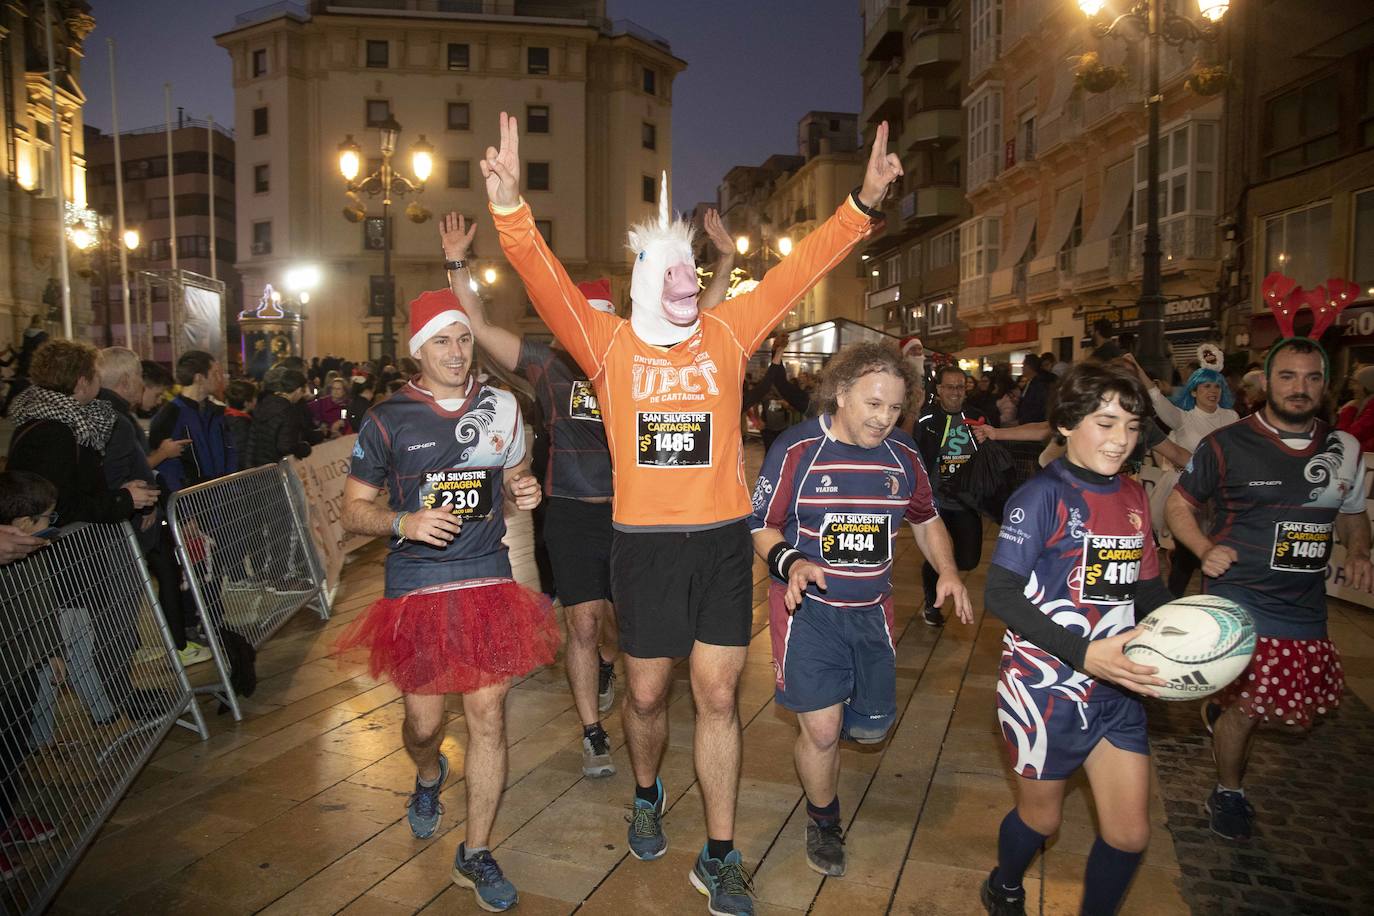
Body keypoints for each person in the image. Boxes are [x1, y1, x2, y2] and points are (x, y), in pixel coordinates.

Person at [486, 110, 899, 915]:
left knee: (716, 696)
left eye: (690, 275)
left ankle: (719, 852)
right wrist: (509, 210)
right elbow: (544, 281)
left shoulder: (729, 333)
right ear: (647, 281)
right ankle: (646, 791)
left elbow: (798, 270)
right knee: (644, 697)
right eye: (669, 274)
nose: (684, 287)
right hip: (640, 547)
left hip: (718, 542)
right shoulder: (605, 346)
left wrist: (864, 204)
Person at [337, 289, 559, 912]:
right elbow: (353, 513)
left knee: (488, 715)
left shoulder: (502, 407)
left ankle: (477, 850)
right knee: (424, 724)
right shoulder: (387, 419)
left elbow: (513, 486)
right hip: (417, 588)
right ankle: (429, 773)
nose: (458, 352)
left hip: (486, 577)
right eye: (443, 340)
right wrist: (404, 523)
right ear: (418, 349)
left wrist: (524, 492)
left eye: (464, 338)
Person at [750, 344, 971, 879]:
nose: (883, 419)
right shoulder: (799, 449)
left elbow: (925, 518)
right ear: (840, 394)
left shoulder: (904, 455)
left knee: (869, 733)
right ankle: (824, 819)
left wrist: (948, 570)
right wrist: (792, 560)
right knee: (823, 732)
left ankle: (837, 724)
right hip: (810, 612)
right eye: (873, 404)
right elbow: (760, 524)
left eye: (894, 409)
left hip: (873, 613)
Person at [979, 363, 1174, 916]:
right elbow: (1002, 595)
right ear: (1066, 424)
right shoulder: (1041, 497)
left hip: (1117, 689)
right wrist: (1086, 652)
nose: (1121, 440)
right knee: (1043, 819)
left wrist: (1191, 638)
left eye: (1132, 427)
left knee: (1130, 834)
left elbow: (1148, 590)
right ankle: (1005, 883)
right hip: (1044, 690)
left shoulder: (1135, 495)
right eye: (1106, 423)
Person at [1166, 337, 1373, 842]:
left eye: (1311, 378)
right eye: (1287, 376)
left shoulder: (1344, 449)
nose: (1299, 388)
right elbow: (1179, 504)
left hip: (1303, 603)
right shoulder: (1228, 444)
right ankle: (1229, 792)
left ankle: (1221, 709)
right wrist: (1202, 547)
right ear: (1266, 383)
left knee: (1281, 711)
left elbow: (1351, 516)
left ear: (1325, 385)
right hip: (1240, 593)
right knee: (1253, 706)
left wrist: (1362, 551)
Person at [437, 211, 620, 779]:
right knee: (583, 622)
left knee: (621, 625)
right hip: (569, 512)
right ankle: (592, 731)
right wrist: (456, 264)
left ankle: (610, 664)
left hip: (634, 516)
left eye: (605, 320)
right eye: (586, 320)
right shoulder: (548, 363)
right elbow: (479, 322)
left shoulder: (636, 364)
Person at [96, 348, 208, 667]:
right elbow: (123, 473)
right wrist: (142, 500)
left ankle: (142, 650)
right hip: (133, 519)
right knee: (143, 586)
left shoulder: (120, 417)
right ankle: (166, 648)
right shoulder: (117, 420)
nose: (157, 399)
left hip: (139, 514)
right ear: (133, 382)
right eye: (155, 392)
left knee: (152, 583)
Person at [6, 340, 159, 524]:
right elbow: (60, 506)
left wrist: (121, 493)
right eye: (95, 374)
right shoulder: (56, 432)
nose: (100, 379)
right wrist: (124, 499)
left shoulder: (50, 418)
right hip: (65, 546)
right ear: (82, 383)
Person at [1123, 355, 1239, 596]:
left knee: (1208, 548)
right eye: (1206, 386)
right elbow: (1154, 395)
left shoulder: (1232, 418)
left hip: (1218, 494)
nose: (1212, 391)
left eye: (1217, 386)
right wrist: (1136, 365)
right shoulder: (1182, 418)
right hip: (1185, 493)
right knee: (1189, 552)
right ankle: (1172, 598)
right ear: (1194, 392)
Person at [914, 365, 990, 627]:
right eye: (950, 387)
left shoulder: (979, 417)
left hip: (967, 501)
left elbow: (992, 454)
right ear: (939, 390)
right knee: (938, 556)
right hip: (935, 502)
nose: (956, 392)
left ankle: (946, 568)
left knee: (969, 559)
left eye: (961, 386)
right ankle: (932, 604)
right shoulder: (926, 419)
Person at [149, 350, 235, 490]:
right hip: (191, 502)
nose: (219, 379)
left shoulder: (216, 412)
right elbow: (165, 467)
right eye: (215, 373)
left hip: (222, 497)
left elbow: (230, 451)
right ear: (199, 378)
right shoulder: (170, 414)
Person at [246, 367, 314, 466]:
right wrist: (302, 448)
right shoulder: (289, 411)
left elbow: (252, 439)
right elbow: (285, 446)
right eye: (303, 391)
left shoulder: (264, 403)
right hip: (275, 467)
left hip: (257, 466)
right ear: (298, 390)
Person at [1335, 364, 1374, 452]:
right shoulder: (1366, 406)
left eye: (1357, 384)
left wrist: (1350, 410)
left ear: (1367, 386)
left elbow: (1344, 438)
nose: (1352, 388)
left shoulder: (1371, 410)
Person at [224, 379, 258, 466]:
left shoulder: (224, 418)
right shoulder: (242, 424)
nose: (256, 400)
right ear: (246, 403)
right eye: (254, 397)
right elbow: (243, 454)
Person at [1015, 355, 1051, 425]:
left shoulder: (1038, 384)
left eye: (1023, 365)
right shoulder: (1030, 382)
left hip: (1033, 423)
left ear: (1029, 367)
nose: (1022, 368)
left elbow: (1038, 407)